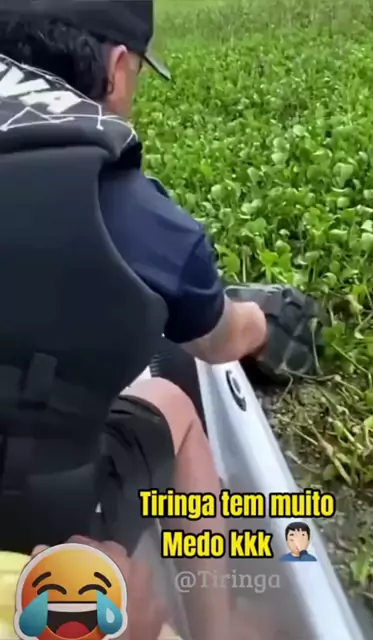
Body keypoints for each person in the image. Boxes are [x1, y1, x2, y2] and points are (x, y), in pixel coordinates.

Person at [0, 1, 268, 639]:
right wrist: (260, 321)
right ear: (119, 67)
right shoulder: (132, 210)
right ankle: (218, 626)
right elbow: (218, 340)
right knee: (174, 406)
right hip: (40, 517)